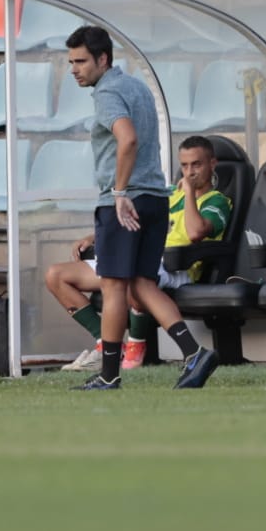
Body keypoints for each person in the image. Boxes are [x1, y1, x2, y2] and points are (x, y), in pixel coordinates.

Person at [65, 26, 219, 390]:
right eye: (71, 62)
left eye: (81, 61)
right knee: (143, 284)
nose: (74, 69)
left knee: (113, 287)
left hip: (125, 202)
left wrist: (119, 192)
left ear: (103, 59)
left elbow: (128, 138)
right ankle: (194, 353)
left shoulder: (107, 93)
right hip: (155, 199)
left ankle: (109, 375)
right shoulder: (136, 87)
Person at [50, 135, 232, 374]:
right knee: (56, 275)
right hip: (145, 256)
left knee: (132, 273)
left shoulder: (217, 201)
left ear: (212, 164)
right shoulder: (168, 193)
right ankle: (106, 344)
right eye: (185, 166)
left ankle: (138, 345)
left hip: (178, 267)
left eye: (196, 165)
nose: (189, 172)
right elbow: (134, 217)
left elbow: (195, 232)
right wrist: (94, 237)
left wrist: (189, 194)